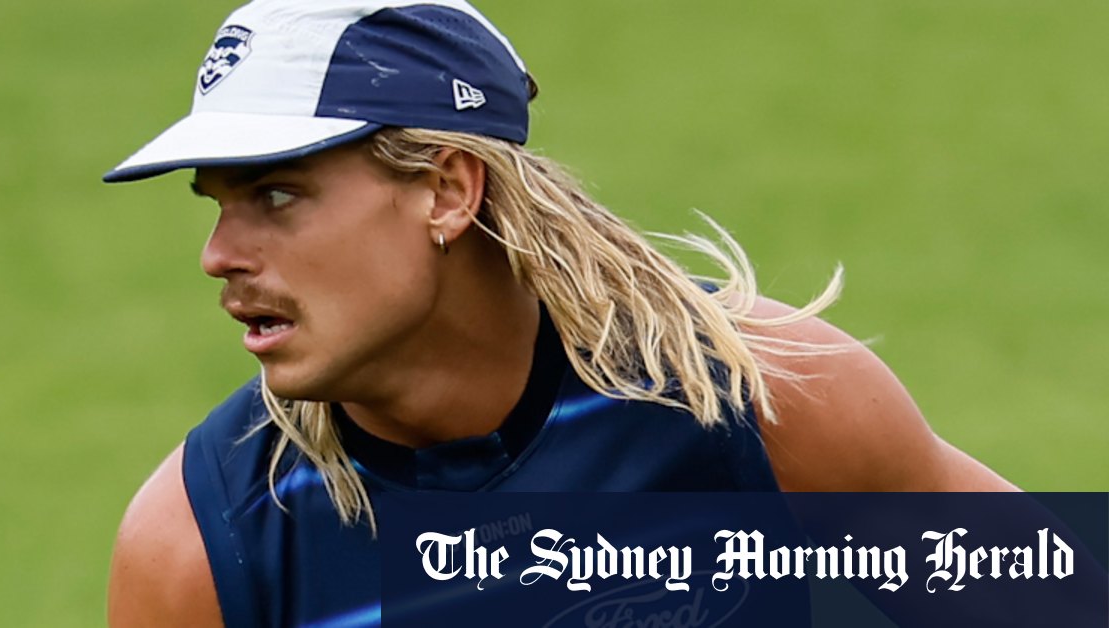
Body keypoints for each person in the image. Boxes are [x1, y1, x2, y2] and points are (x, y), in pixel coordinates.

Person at [102, 0, 1017, 626]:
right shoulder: (205, 544)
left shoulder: (755, 400)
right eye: (217, 203)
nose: (219, 254)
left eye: (277, 195)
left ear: (447, 191)